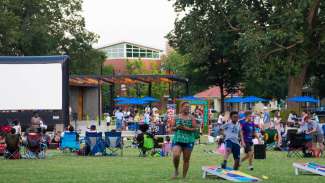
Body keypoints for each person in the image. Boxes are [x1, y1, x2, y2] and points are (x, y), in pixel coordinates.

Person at [171, 102, 197, 179]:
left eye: (188, 107)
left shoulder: (192, 117)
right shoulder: (176, 117)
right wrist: (177, 127)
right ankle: (176, 170)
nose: (187, 108)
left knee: (186, 159)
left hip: (189, 140)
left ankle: (184, 177)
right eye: (185, 107)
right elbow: (172, 128)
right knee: (176, 155)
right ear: (181, 107)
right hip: (178, 139)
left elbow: (195, 129)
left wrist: (185, 128)